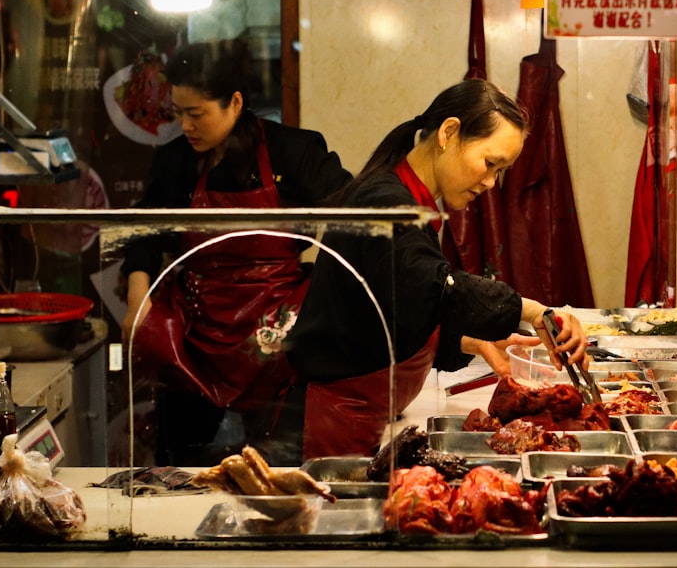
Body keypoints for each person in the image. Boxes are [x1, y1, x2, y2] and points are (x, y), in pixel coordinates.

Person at [278, 77, 587, 462]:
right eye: (490, 164)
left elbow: (393, 309)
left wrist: (469, 342)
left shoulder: (413, 202)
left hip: (365, 414)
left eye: (500, 171)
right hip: (330, 423)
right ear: (449, 133)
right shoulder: (387, 203)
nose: (490, 182)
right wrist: (535, 311)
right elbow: (432, 285)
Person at [119, 39, 352, 466]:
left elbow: (358, 216)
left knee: (275, 472)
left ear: (236, 102)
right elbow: (144, 233)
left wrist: (327, 295)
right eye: (178, 113)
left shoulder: (293, 152)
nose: (186, 126)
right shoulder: (175, 162)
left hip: (278, 339)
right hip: (195, 338)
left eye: (196, 113)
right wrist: (139, 301)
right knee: (183, 473)